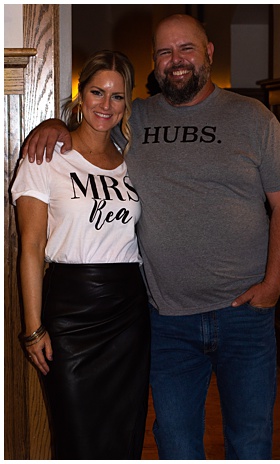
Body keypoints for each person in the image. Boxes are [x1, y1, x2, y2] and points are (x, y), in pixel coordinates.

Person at [23, 14, 280, 460]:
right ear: (154, 64)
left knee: (250, 443)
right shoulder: (133, 121)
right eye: (165, 52)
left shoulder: (253, 117)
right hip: (166, 319)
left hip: (244, 316)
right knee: (174, 443)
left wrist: (274, 286)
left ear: (209, 52)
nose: (177, 61)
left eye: (186, 49)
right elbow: (88, 126)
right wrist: (51, 125)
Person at [11, 50, 147, 459]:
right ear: (79, 94)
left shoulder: (133, 161)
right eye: (96, 92)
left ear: (127, 103)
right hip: (70, 313)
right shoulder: (45, 158)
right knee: (77, 438)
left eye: (117, 96)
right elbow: (31, 248)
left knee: (125, 436)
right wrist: (33, 328)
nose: (106, 105)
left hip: (128, 312)